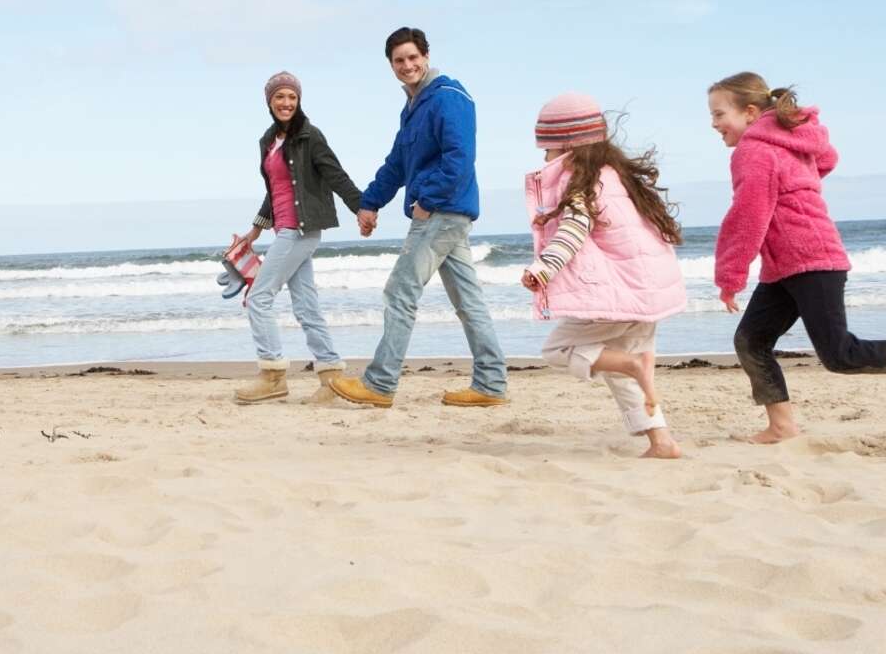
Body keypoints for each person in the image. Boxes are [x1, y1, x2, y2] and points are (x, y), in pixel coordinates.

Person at [708, 71, 886, 443]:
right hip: (786, 265)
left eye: (719, 114)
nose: (714, 124)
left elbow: (748, 216)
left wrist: (730, 276)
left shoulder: (753, 151)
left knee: (840, 355)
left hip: (812, 260)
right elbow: (826, 159)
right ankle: (782, 426)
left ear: (751, 112)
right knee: (751, 340)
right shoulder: (787, 143)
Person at [329, 28, 509, 408]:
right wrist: (369, 202)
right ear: (391, 66)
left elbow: (460, 159)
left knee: (400, 291)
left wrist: (427, 200)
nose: (407, 65)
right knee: (468, 301)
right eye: (399, 60)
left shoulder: (448, 98)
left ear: (426, 56)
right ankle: (491, 384)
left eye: (413, 57)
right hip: (445, 214)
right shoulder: (413, 106)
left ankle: (379, 384)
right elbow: (397, 162)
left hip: (441, 213)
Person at [521, 94, 689, 459]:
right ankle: (662, 442)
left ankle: (632, 365)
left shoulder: (580, 184)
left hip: (621, 295)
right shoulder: (619, 177)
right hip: (648, 291)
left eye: (547, 150)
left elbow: (573, 230)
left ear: (565, 145)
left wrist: (543, 268)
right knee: (620, 370)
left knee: (558, 349)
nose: (545, 159)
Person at [232, 71, 365, 405]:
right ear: (269, 101)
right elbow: (274, 190)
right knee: (307, 307)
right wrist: (257, 229)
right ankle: (331, 378)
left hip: (301, 230)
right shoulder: (268, 140)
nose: (287, 103)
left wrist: (363, 208)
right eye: (280, 97)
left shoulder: (310, 136)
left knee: (258, 298)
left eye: (292, 97)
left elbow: (336, 174)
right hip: (284, 229)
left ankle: (272, 375)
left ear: (299, 100)